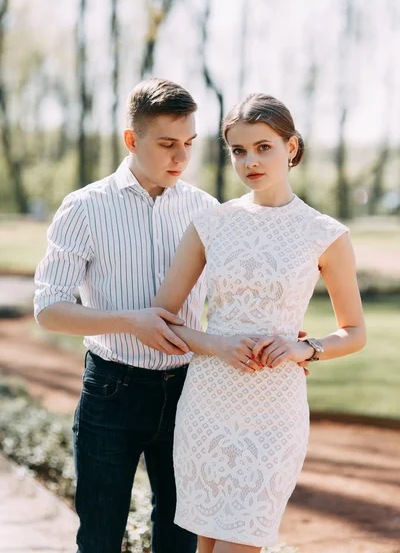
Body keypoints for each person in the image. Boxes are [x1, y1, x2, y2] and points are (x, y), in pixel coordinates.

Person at [152, 93, 366, 553]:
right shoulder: (209, 224)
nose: (250, 161)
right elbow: (162, 320)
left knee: (243, 541)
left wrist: (303, 349)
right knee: (205, 546)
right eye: (238, 150)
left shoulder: (325, 234)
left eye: (263, 147)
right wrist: (216, 344)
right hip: (208, 403)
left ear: (291, 148)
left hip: (275, 413)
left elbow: (354, 331)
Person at [33, 78, 220, 553]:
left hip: (188, 392)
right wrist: (130, 321)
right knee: (99, 537)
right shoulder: (84, 208)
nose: (181, 158)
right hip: (111, 392)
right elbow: (49, 309)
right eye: (167, 144)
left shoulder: (207, 210)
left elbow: (228, 301)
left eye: (189, 144)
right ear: (132, 140)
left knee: (179, 540)